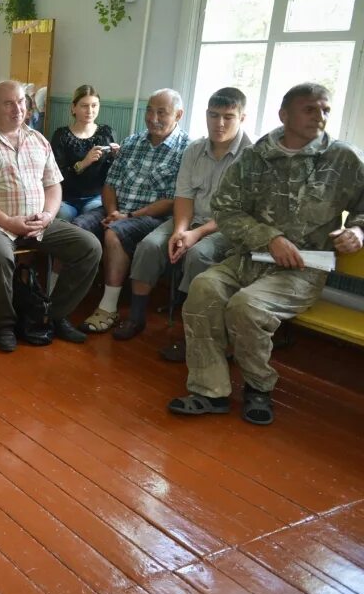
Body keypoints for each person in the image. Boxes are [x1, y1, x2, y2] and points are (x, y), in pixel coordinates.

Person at [168, 82, 364, 425]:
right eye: (310, 109)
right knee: (203, 289)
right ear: (284, 115)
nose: (320, 117)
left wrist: (358, 231)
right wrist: (269, 237)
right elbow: (226, 210)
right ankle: (210, 390)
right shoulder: (255, 158)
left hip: (301, 269)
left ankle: (259, 387)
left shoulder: (343, 159)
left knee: (247, 307)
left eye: (326, 110)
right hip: (248, 258)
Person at [0, 80, 102, 352]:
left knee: (89, 247)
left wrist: (47, 215)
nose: (17, 108)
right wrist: (8, 222)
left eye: (21, 101)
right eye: (9, 103)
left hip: (36, 223)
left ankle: (51, 316)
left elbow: (53, 185)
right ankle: (4, 324)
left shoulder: (38, 140)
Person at [116, 87, 254, 343]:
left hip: (227, 226)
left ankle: (189, 334)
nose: (219, 123)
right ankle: (136, 317)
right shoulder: (195, 149)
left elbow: (238, 211)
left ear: (242, 118)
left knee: (198, 254)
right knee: (149, 245)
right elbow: (184, 196)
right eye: (213, 115)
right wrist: (181, 230)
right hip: (190, 219)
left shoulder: (253, 156)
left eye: (228, 116)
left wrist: (196, 234)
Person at [77, 89, 190, 334]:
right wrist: (112, 211)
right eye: (149, 110)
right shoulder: (132, 142)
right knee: (75, 230)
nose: (153, 117)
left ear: (178, 115)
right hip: (116, 210)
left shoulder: (186, 150)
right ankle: (70, 297)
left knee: (114, 234)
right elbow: (110, 184)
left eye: (162, 112)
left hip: (152, 218)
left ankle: (108, 307)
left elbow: (172, 200)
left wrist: (127, 217)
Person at [51, 85, 119, 223]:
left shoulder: (106, 133)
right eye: (84, 106)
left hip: (96, 197)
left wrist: (116, 157)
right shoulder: (61, 135)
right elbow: (55, 175)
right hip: (66, 198)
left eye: (94, 105)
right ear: (73, 107)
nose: (90, 111)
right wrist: (83, 163)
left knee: (89, 219)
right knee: (63, 217)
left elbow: (112, 175)